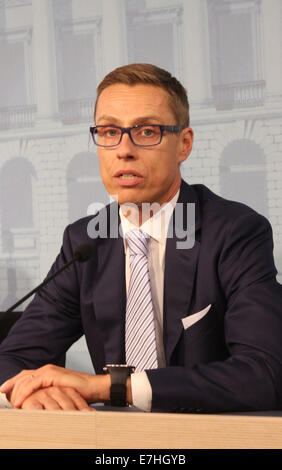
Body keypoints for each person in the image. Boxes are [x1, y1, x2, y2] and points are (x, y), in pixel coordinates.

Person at [0, 63, 282, 413]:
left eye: (147, 132)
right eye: (108, 131)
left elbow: (264, 373)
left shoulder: (234, 232)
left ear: (184, 144)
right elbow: (13, 358)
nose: (124, 150)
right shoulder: (85, 243)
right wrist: (30, 391)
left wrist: (109, 387)